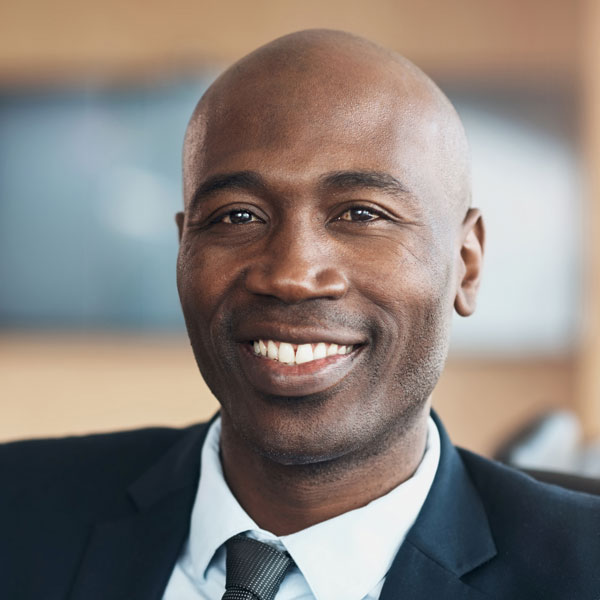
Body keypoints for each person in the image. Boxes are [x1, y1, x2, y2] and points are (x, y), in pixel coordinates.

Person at [1, 29, 599, 600]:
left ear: (466, 265)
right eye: (237, 216)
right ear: (183, 251)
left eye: (362, 213)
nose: (290, 274)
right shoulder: (17, 514)